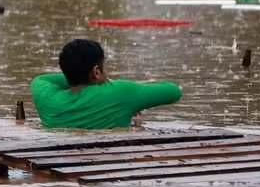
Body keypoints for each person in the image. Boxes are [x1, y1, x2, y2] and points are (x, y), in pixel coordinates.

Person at [31, 39, 182, 129]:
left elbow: (42, 79)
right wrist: (123, 94)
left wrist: (74, 76)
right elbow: (174, 91)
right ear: (96, 72)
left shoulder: (45, 96)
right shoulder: (121, 92)